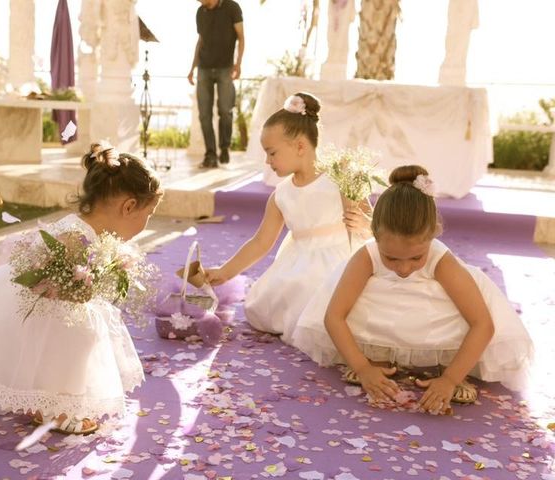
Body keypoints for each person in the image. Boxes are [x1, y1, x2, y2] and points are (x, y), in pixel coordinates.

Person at [0, 142, 163, 434]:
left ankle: (41, 399)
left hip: (40, 304)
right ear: (129, 207)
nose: (148, 223)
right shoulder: (77, 237)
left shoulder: (86, 227)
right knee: (79, 336)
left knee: (76, 331)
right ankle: (55, 408)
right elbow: (46, 286)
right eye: (149, 214)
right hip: (35, 305)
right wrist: (82, 291)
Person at [303, 165, 533, 413]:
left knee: (452, 300)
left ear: (433, 235)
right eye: (391, 258)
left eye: (415, 258)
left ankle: (447, 366)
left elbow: (482, 323)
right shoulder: (366, 256)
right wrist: (362, 367)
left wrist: (450, 380)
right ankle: (376, 357)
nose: (403, 268)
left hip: (434, 323)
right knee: (365, 291)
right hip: (386, 315)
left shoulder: (441, 260)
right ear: (375, 236)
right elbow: (334, 316)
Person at [205, 92, 372, 344]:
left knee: (315, 290)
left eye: (272, 153)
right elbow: (261, 242)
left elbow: (377, 225)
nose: (267, 161)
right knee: (266, 304)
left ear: (300, 146)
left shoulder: (341, 178)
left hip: (339, 261)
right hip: (298, 262)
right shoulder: (281, 194)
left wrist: (365, 224)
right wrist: (226, 271)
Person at [188, 0, 245, 168]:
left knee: (225, 111)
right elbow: (200, 41)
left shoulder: (232, 7)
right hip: (203, 69)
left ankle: (224, 147)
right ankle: (210, 155)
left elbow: (241, 38)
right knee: (204, 115)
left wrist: (238, 64)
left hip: (225, 68)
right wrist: (192, 68)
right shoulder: (200, 12)